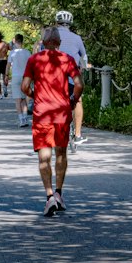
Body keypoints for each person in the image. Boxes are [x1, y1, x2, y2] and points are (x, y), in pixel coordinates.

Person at [22, 27, 82, 218]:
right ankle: (59, 193)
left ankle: (49, 196)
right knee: (61, 153)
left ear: (43, 43)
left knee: (44, 156)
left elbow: (24, 86)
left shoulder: (34, 60)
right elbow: (79, 84)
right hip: (62, 113)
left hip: (42, 114)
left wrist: (35, 95)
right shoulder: (67, 59)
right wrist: (72, 99)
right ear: (59, 43)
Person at [53, 10, 89, 144]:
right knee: (78, 101)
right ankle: (78, 135)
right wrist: (84, 66)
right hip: (71, 78)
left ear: (57, 23)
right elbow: (84, 58)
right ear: (70, 24)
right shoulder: (77, 38)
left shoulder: (49, 38)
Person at [7, 33, 31, 126]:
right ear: (22, 41)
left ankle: (21, 119)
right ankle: (25, 118)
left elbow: (8, 65)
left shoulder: (12, 53)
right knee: (24, 99)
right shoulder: (27, 52)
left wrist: (6, 75)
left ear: (15, 41)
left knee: (18, 100)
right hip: (25, 77)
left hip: (16, 76)